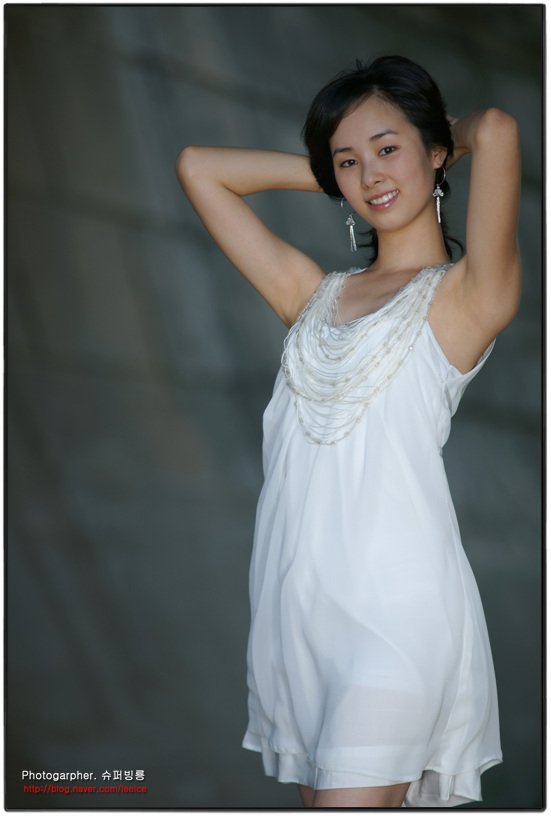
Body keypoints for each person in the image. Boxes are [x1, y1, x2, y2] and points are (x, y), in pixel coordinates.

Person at [175, 55, 521, 809]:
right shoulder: (309, 296)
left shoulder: (466, 298)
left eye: (387, 147)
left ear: (436, 150)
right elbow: (200, 168)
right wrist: (349, 175)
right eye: (347, 160)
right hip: (299, 622)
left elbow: (495, 129)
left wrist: (434, 143)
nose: (370, 173)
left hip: (399, 619)